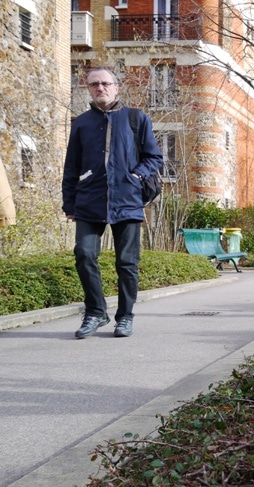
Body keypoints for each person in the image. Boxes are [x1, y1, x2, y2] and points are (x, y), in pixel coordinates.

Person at [62, 67, 163, 339]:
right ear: (88, 89)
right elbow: (71, 166)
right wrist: (69, 203)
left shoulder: (136, 118)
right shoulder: (81, 123)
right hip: (89, 201)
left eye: (105, 83)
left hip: (127, 200)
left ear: (116, 87)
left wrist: (135, 175)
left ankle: (125, 317)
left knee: (127, 263)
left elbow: (154, 157)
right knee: (84, 254)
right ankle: (95, 312)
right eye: (94, 84)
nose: (100, 88)